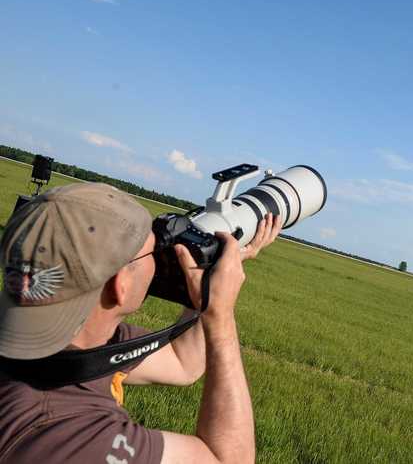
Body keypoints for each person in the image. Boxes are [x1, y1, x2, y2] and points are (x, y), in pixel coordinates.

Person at [0, 182, 283, 464]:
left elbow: (182, 363)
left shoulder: (87, 341)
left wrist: (208, 286)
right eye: (152, 250)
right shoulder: (71, 434)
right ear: (121, 283)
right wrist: (219, 316)